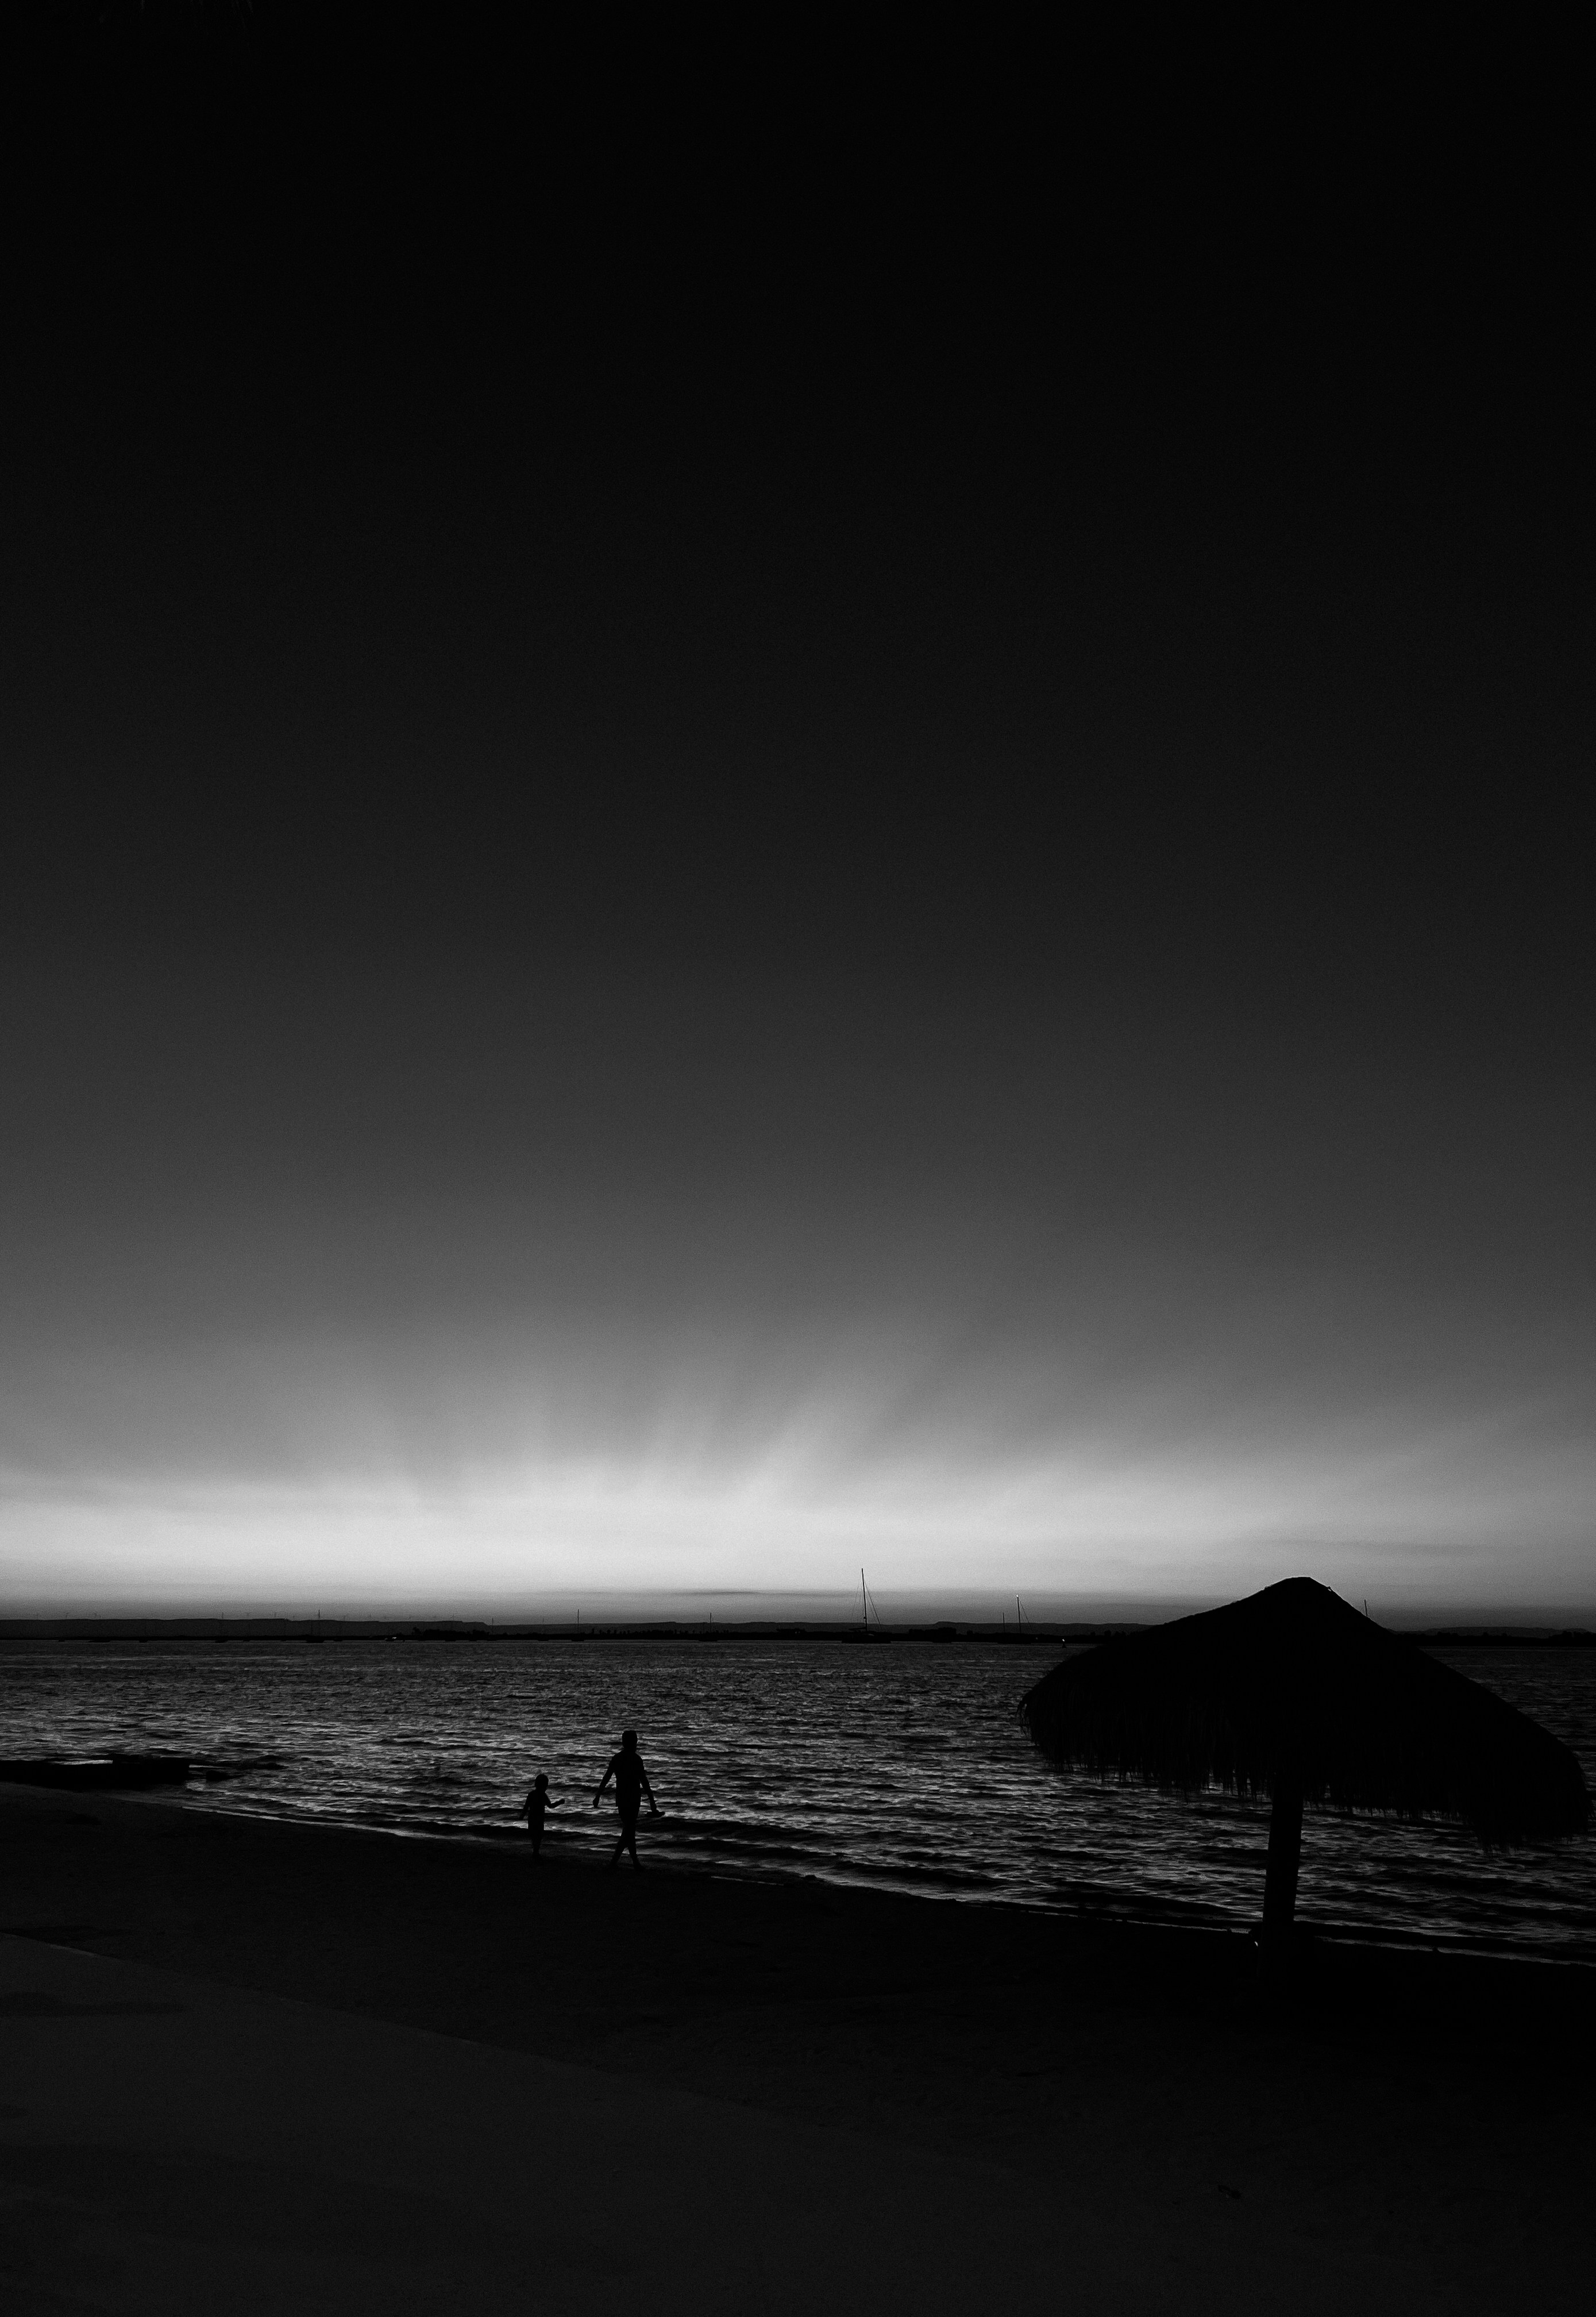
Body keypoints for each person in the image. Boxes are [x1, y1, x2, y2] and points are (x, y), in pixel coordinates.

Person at [593, 1728, 659, 1868]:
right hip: (634, 1799)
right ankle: (617, 1863)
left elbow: (607, 1777)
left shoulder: (618, 1758)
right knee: (629, 1830)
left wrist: (598, 1795)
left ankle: (633, 1863)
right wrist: (652, 1802)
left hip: (622, 1799)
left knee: (629, 1830)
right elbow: (644, 1781)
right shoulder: (636, 1759)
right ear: (634, 1742)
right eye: (636, 1741)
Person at [523, 1772, 562, 1858]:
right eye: (546, 1785)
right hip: (539, 1819)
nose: (547, 1787)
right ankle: (536, 1852)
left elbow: (526, 1807)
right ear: (544, 1785)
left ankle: (535, 1851)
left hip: (532, 1819)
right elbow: (551, 1806)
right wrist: (560, 1802)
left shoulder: (531, 1794)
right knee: (539, 1835)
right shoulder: (543, 1795)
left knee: (535, 1836)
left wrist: (522, 1816)